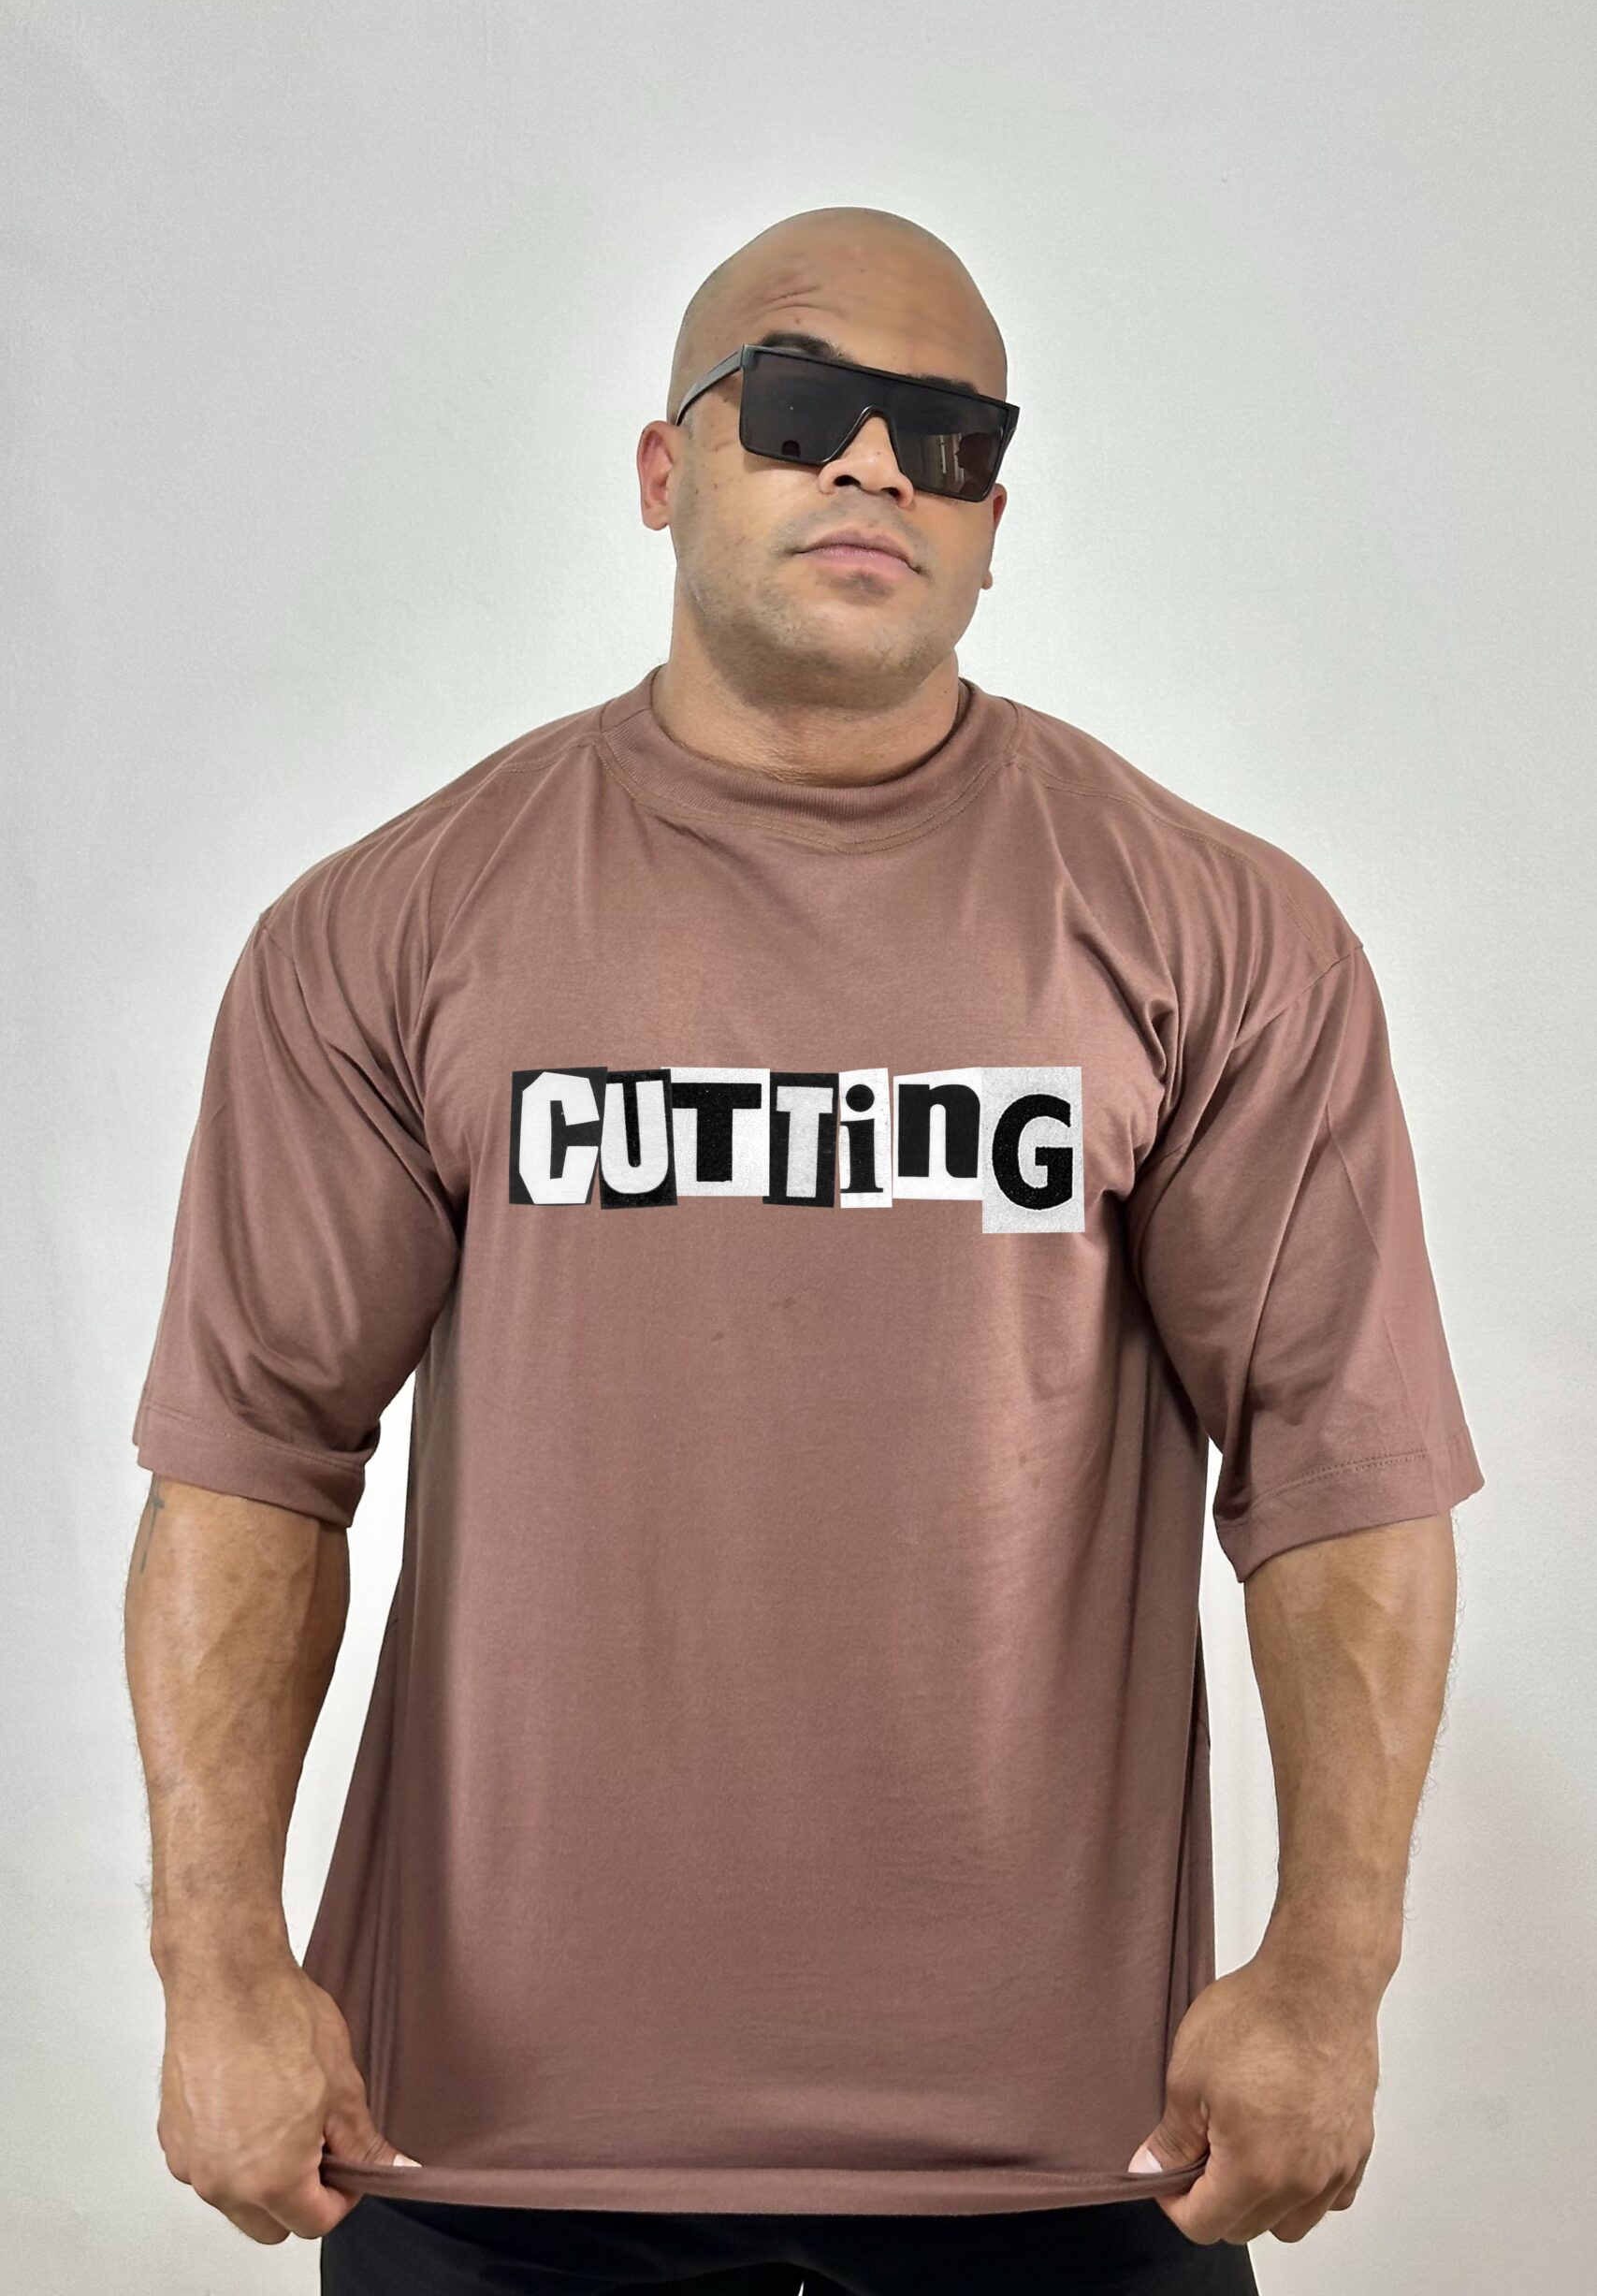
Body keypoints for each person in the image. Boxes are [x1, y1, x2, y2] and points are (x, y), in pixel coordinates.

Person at [123, 205, 1484, 2295]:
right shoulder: (389, 927)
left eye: (944, 437)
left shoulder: (1220, 933)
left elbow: (1339, 1476)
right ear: (662, 470)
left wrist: (1327, 1968)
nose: (871, 466)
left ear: (995, 520)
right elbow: (252, 1460)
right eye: (799, 404)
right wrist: (216, 1960)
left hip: (1079, 2157)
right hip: (484, 2154)